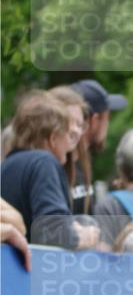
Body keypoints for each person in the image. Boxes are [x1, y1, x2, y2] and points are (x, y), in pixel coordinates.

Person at [0, 91, 99, 250]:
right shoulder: (44, 163)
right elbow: (53, 231)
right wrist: (84, 236)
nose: (71, 143)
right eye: (67, 134)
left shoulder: (6, 166)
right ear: (53, 139)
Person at [70, 78, 127, 211]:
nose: (108, 124)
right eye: (107, 117)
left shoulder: (84, 160)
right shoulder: (62, 162)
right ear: (94, 120)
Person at [47, 86, 90, 213]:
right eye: (70, 121)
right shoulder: (40, 167)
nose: (76, 131)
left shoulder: (75, 165)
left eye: (80, 125)